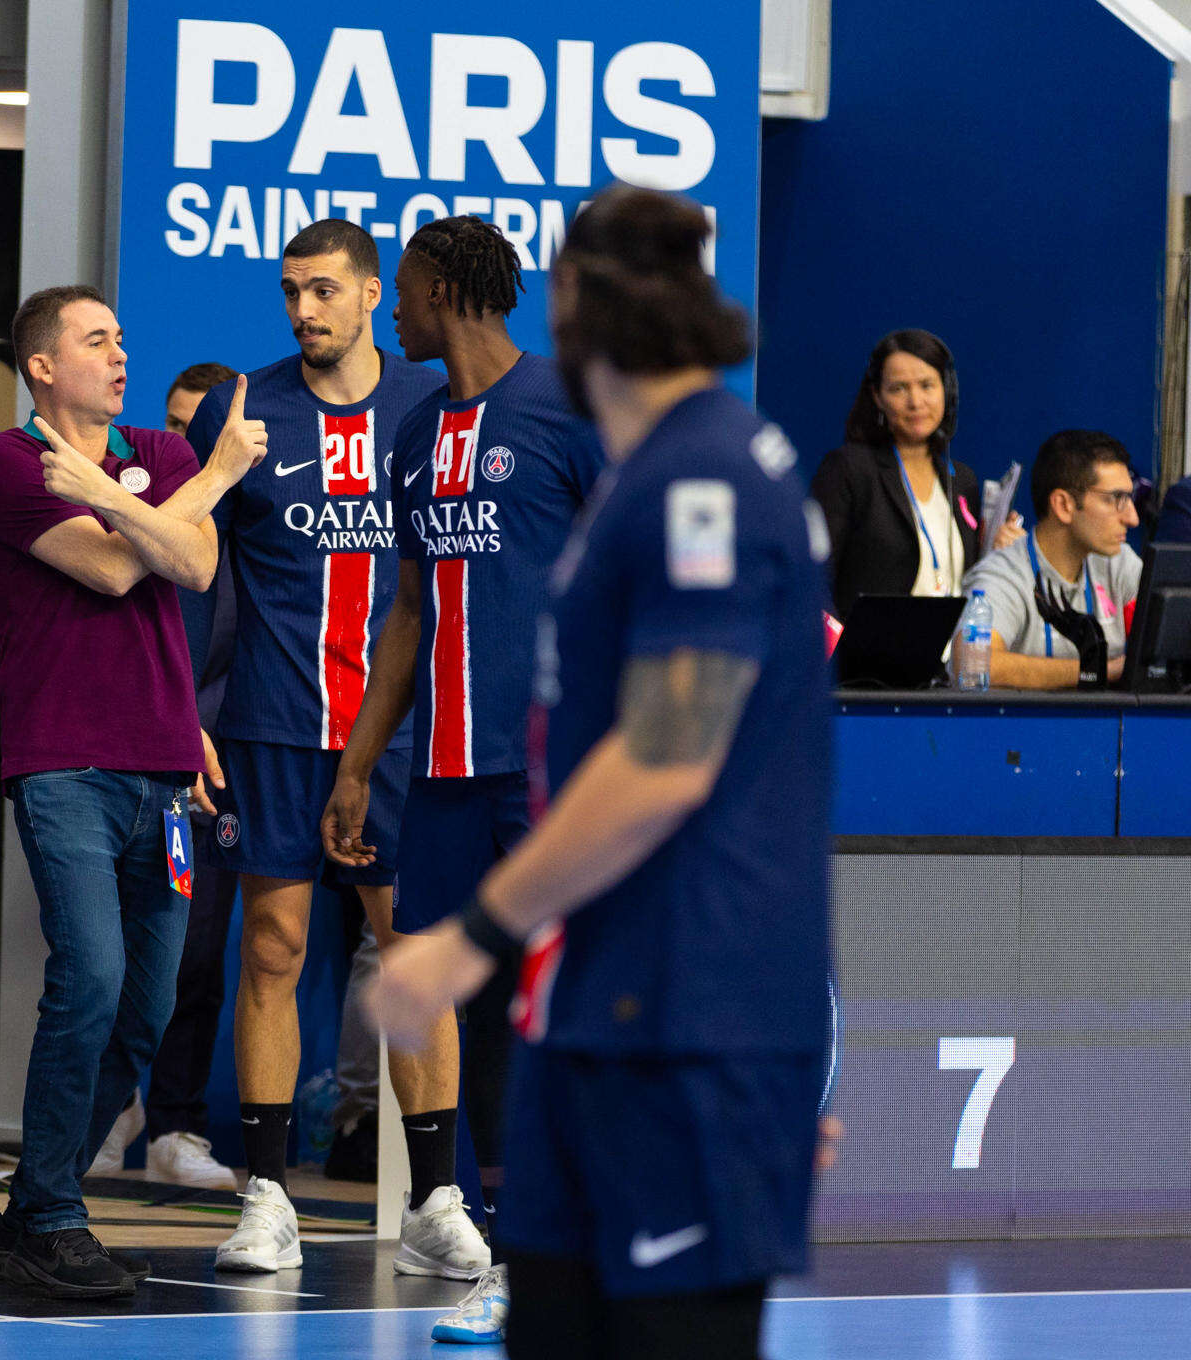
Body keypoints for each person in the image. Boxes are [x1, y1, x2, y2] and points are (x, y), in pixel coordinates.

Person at [372, 184, 834, 1360]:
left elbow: (673, 754)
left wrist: (474, 929)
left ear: (588, 308)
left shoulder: (708, 479)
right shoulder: (641, 471)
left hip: (692, 1019)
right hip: (598, 1009)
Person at [319, 213, 606, 1335]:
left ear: (446, 289)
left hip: (545, 775)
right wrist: (355, 765)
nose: (393, 309)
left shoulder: (568, 415)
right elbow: (406, 611)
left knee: (553, 1014)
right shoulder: (413, 433)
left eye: (405, 289)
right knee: (466, 1012)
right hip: (436, 778)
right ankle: (503, 1253)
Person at [171, 219, 466, 1278]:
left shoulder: (428, 409)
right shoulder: (239, 407)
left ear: (372, 292)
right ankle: (267, 1197)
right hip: (272, 727)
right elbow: (192, 562)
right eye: (292, 290)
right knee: (272, 950)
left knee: (412, 954)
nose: (305, 309)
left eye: (326, 289)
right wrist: (186, 708)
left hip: (392, 734)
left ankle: (437, 1198)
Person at [0, 284, 265, 1298]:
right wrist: (205, 482)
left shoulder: (164, 454)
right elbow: (108, 572)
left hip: (165, 771)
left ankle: (27, 1212)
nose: (120, 355)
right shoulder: (9, 463)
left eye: (122, 339)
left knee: (145, 1009)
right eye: (96, 341)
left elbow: (185, 561)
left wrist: (115, 493)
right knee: (88, 975)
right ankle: (52, 1213)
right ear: (43, 365)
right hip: (63, 765)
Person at [90, 361, 245, 1192]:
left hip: (214, 760)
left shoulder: (242, 522)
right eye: (176, 426)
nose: (183, 443)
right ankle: (110, 1110)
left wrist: (202, 734)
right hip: (119, 754)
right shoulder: (129, 502)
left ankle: (177, 1122)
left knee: (201, 949)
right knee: (107, 954)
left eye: (201, 431)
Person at [810, 329, 1022, 615]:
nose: (916, 401)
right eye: (899, 388)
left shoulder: (961, 480)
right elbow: (813, 575)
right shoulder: (849, 469)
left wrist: (998, 552)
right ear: (877, 396)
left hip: (948, 656)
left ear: (946, 390)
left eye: (927, 385)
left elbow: (969, 579)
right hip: (869, 656)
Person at [960, 429, 1142, 689]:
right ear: (1063, 505)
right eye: (1116, 499)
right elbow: (973, 665)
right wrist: (1104, 670)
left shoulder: (1119, 561)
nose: (1132, 518)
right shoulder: (1003, 575)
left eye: (1129, 498)